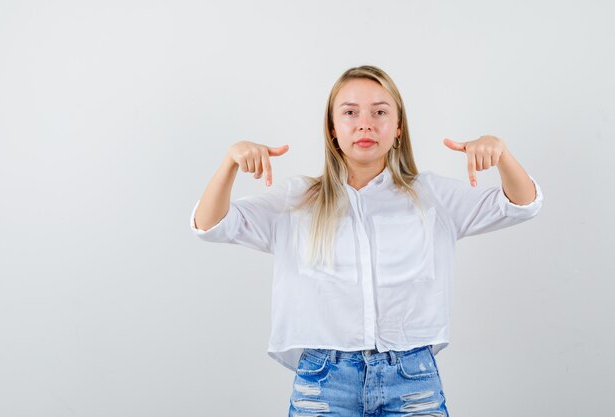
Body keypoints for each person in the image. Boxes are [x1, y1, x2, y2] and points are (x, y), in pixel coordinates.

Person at [190, 65, 543, 417]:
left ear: (399, 127)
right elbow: (211, 225)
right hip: (324, 381)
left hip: (412, 379)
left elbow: (522, 205)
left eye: (380, 112)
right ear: (332, 128)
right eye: (349, 112)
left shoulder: (432, 196)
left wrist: (501, 154)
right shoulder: (296, 200)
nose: (365, 124)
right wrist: (230, 163)